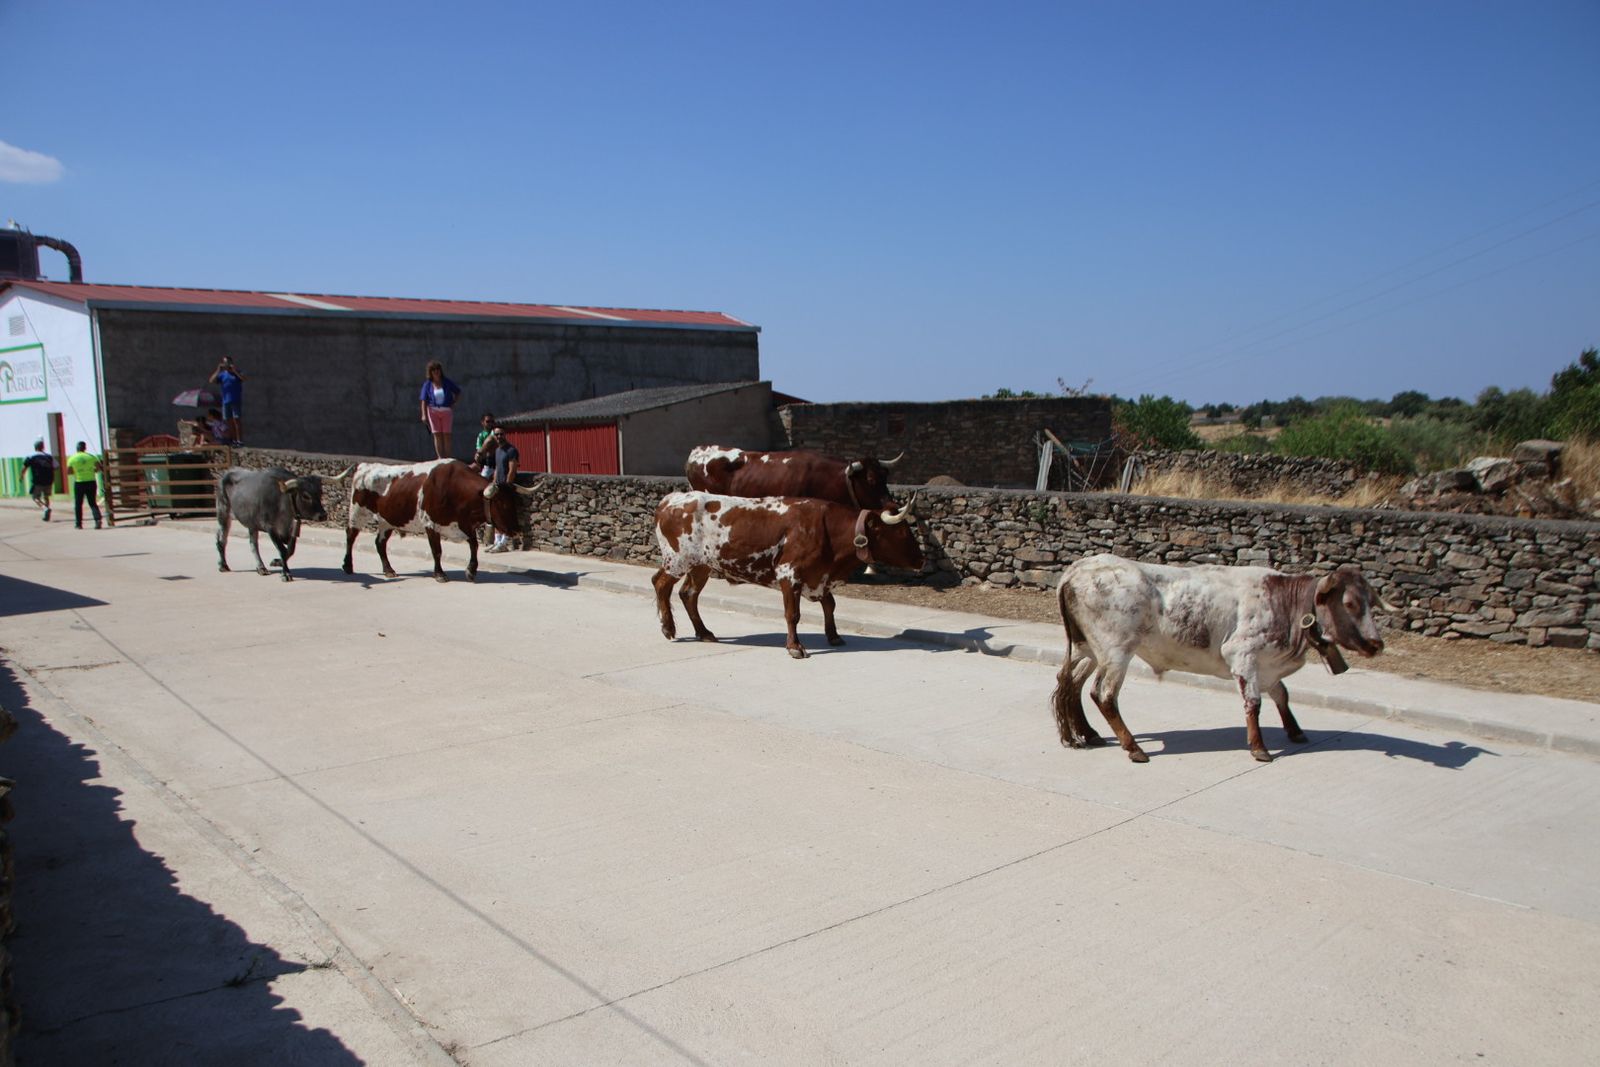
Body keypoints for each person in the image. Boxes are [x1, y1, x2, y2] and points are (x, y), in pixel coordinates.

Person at [484, 426, 518, 552]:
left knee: (505, 515)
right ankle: (497, 541)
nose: (499, 437)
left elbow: (512, 468)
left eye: (501, 434)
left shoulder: (511, 450)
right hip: (497, 487)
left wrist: (507, 485)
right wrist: (493, 483)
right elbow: (498, 468)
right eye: (497, 434)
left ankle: (504, 542)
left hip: (505, 488)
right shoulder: (498, 450)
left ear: (505, 434)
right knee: (496, 515)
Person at [419, 360, 461, 459]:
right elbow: (423, 400)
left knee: (447, 434)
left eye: (438, 369)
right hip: (433, 411)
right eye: (433, 370)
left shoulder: (446, 382)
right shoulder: (427, 384)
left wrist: (453, 403)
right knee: (437, 434)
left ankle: (448, 457)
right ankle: (440, 457)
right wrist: (424, 415)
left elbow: (457, 391)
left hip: (446, 410)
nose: (436, 372)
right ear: (430, 372)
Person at [66, 440, 103, 529]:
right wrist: (93, 470)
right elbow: (99, 468)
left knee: (78, 504)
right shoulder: (91, 457)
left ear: (77, 448)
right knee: (92, 502)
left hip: (79, 482)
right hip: (91, 481)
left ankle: (78, 524)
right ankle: (97, 520)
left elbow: (69, 472)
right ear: (85, 448)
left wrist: (77, 471)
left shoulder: (72, 458)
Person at [209, 356, 246, 444]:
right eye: (225, 363)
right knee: (229, 422)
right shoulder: (223, 375)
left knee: (236, 420)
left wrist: (235, 371)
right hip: (226, 401)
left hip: (235, 399)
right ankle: (233, 440)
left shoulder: (237, 373)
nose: (227, 364)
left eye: (228, 362)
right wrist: (218, 370)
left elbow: (244, 378)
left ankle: (239, 440)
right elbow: (211, 380)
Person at [24, 439, 55, 521]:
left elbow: (25, 467)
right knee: (46, 496)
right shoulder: (48, 456)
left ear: (35, 447)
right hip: (49, 480)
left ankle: (45, 508)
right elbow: (56, 466)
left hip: (38, 480)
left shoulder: (31, 456)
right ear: (43, 447)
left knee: (35, 497)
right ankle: (46, 514)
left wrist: (21, 476)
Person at [473, 413, 498, 477]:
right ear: (482, 422)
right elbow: (479, 448)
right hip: (485, 460)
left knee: (490, 440)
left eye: (492, 421)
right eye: (488, 421)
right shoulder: (481, 435)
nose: (490, 423)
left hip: (495, 459)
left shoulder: (496, 432)